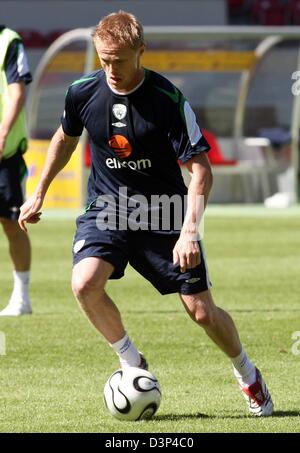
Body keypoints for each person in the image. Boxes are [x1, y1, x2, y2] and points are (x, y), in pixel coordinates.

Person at [19, 11, 273, 416]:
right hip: (107, 207)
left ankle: (247, 375)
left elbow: (200, 169)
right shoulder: (82, 92)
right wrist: (39, 192)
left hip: (163, 212)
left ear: (141, 51)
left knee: (201, 311)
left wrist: (189, 231)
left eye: (119, 59)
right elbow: (64, 139)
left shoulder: (167, 100)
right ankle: (131, 361)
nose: (111, 69)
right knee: (84, 283)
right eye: (103, 59)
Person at [0, 26, 32, 316]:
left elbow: (17, 93)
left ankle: (22, 298)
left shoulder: (8, 41)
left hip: (4, 153)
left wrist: (2, 134)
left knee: (12, 222)